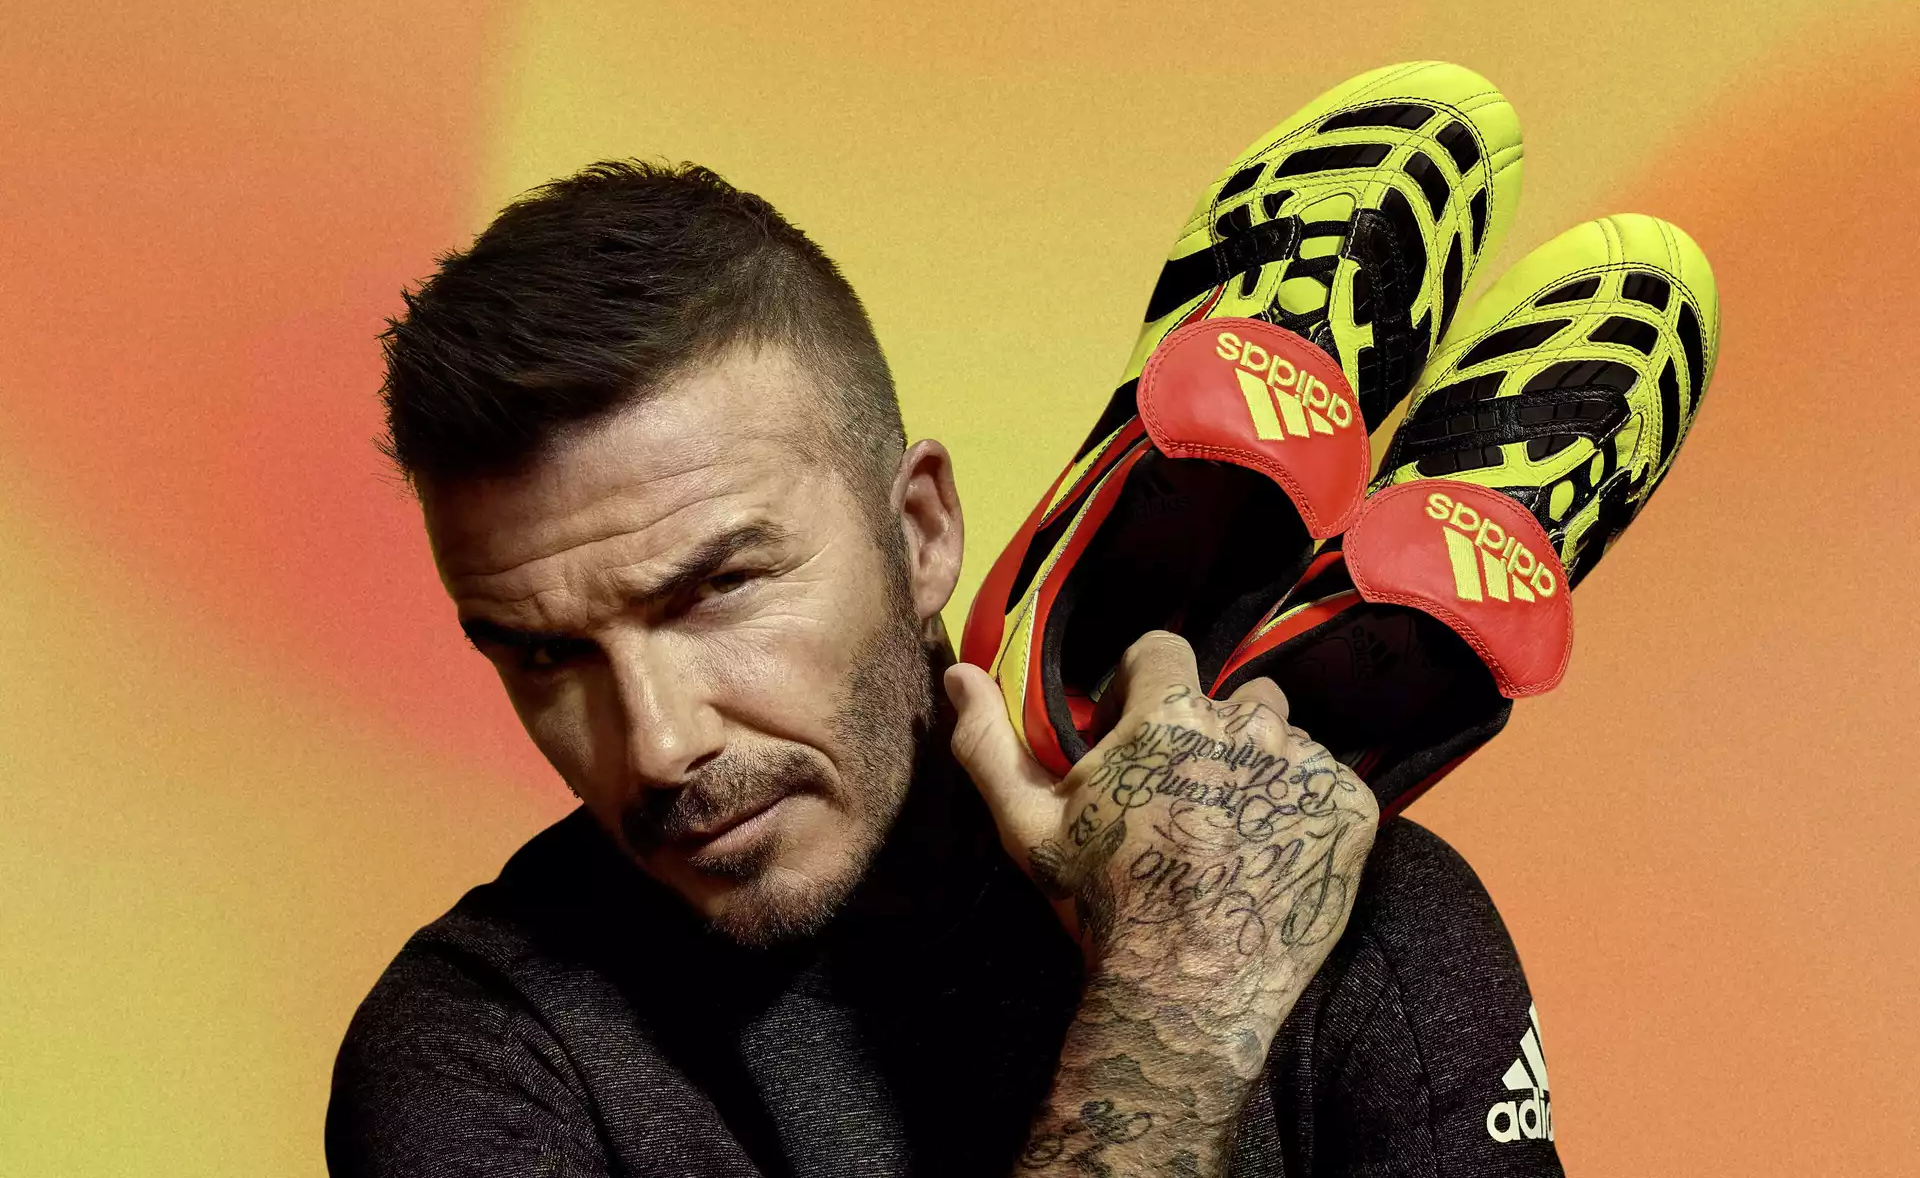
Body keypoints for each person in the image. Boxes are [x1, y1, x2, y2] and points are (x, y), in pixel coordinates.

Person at [327, 160, 1564, 1176]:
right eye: (548, 654)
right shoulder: (480, 1055)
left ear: (920, 534)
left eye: (716, 591)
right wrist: (1177, 1011)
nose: (655, 746)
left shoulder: (1316, 892)